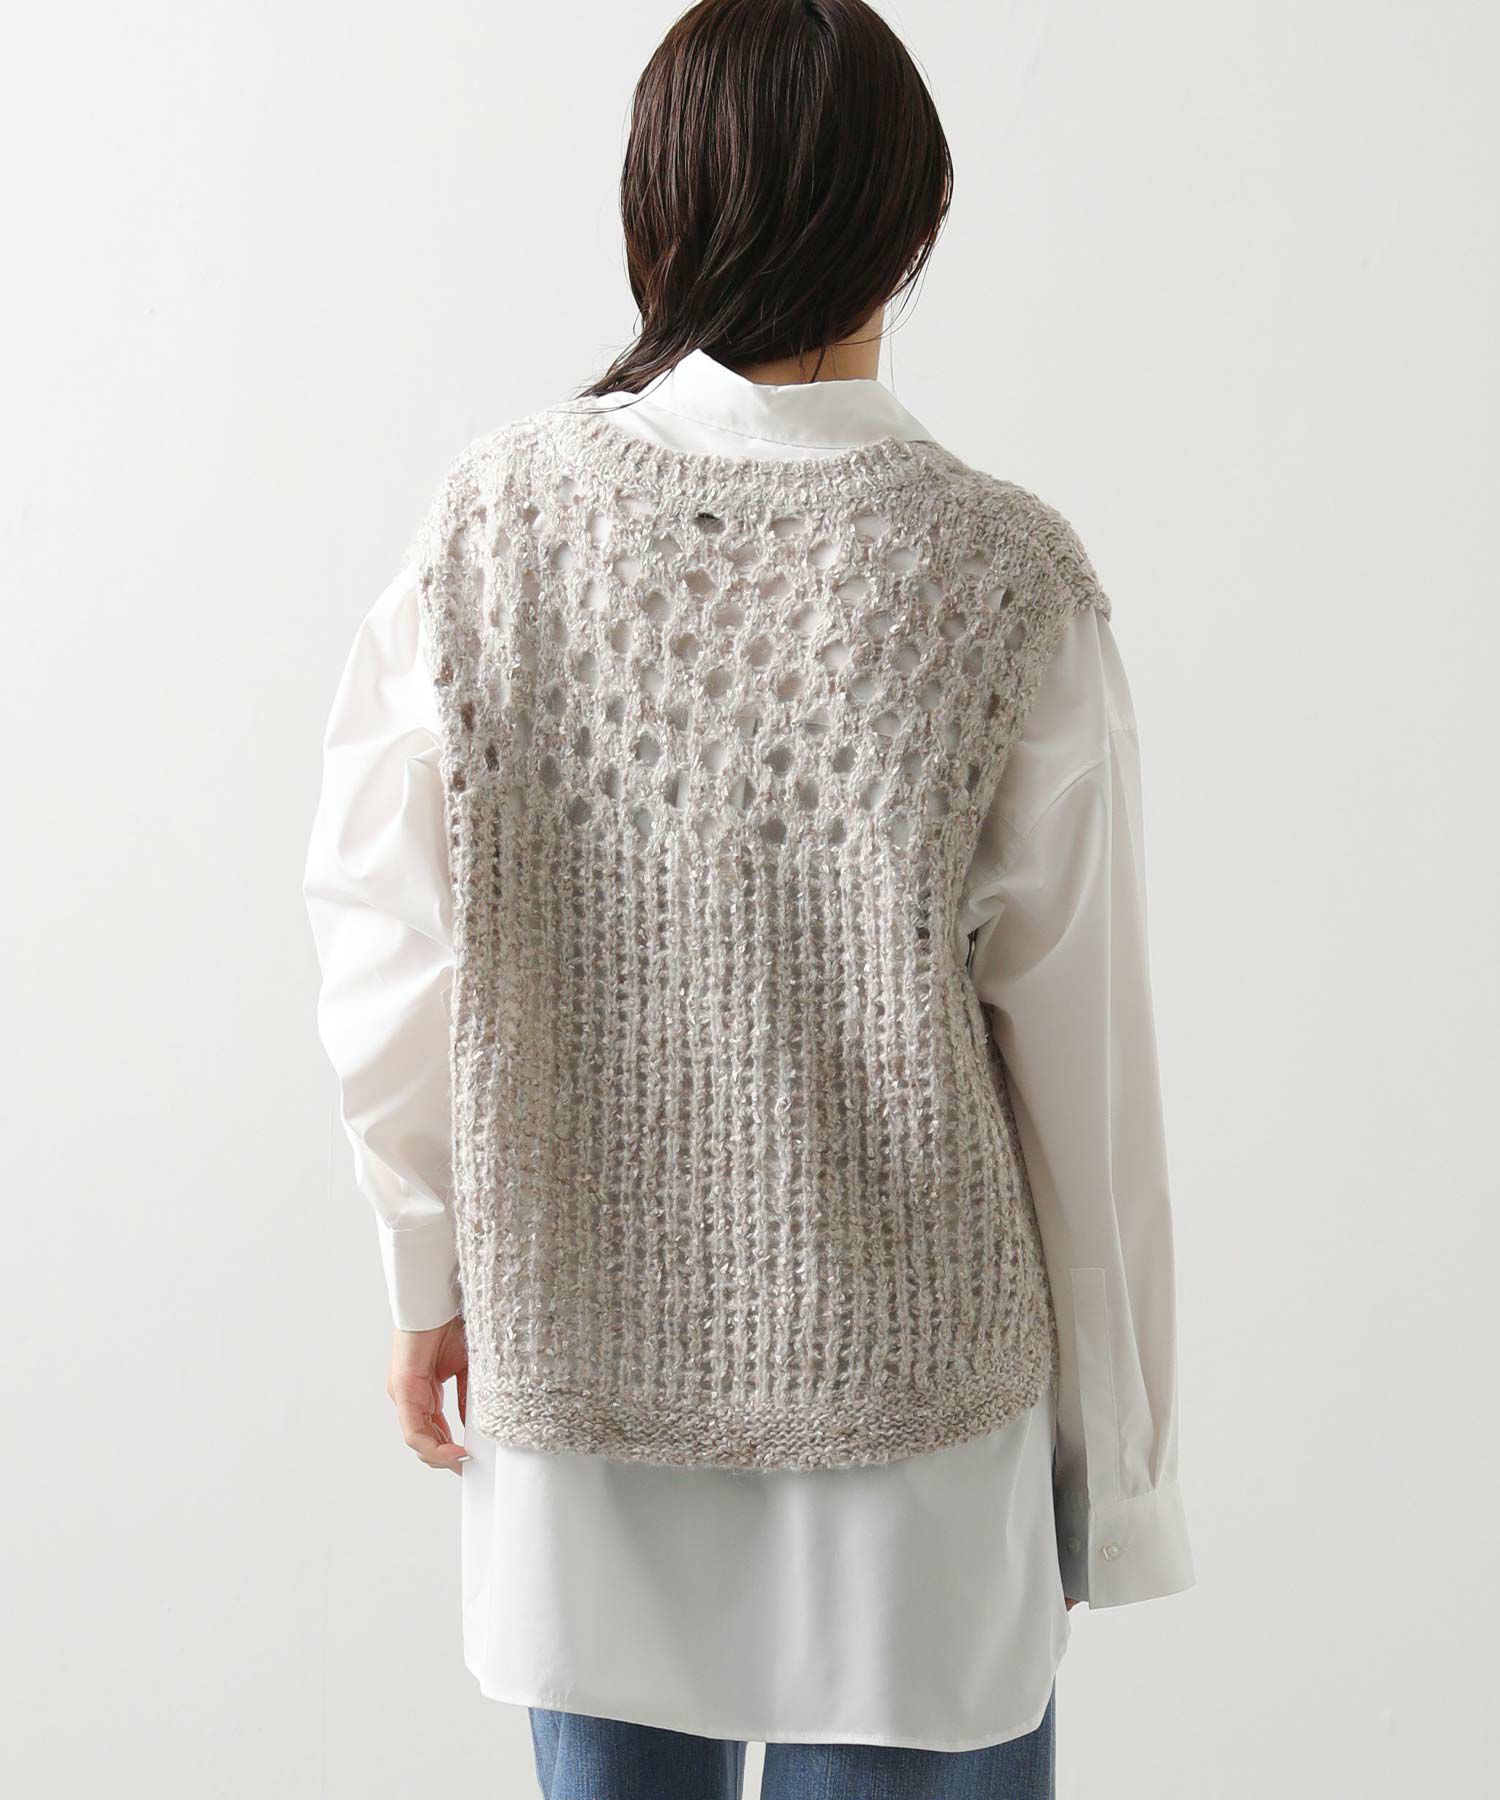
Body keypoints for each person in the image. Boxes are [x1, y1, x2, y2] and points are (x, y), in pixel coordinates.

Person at [302, 3, 1194, 1795]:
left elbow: (386, 947)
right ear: (914, 225)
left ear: (656, 215)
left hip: (584, 1399)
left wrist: (427, 1273)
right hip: (919, 1425)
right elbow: (1085, 1076)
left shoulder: (492, 528)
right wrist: (1119, 1478)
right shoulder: (1003, 575)